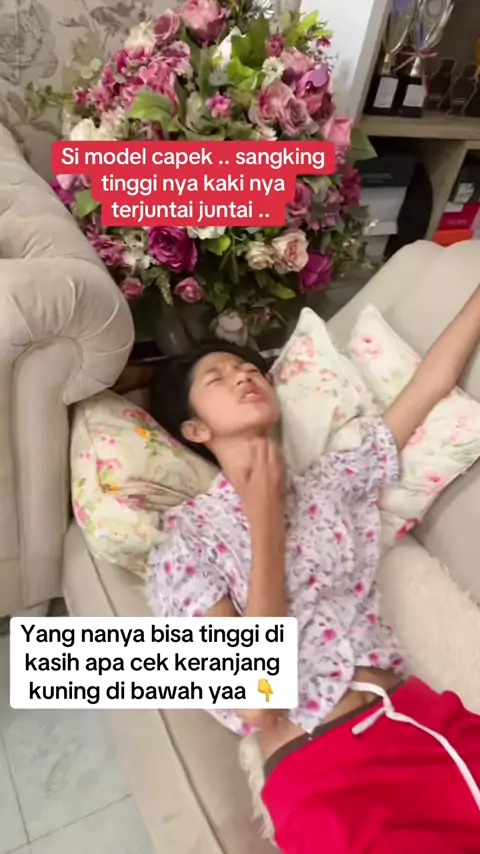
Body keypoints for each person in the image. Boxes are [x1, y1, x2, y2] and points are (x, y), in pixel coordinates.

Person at [147, 289, 480, 854]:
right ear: (196, 429)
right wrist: (264, 522)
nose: (243, 376)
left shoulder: (330, 483)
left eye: (249, 369)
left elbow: (429, 385)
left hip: (424, 717)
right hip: (326, 772)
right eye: (218, 378)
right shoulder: (185, 543)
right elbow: (255, 698)